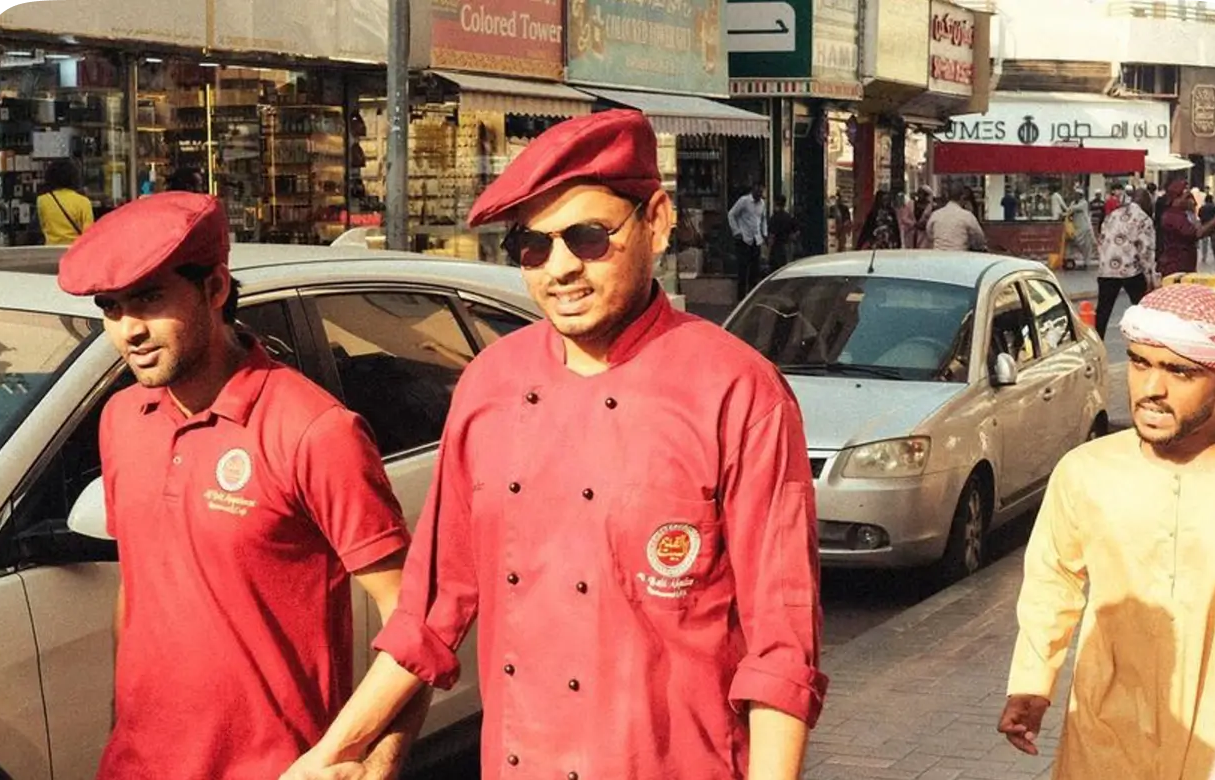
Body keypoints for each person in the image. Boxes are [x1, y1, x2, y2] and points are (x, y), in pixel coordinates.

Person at [283, 109, 825, 780]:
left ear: (656, 221)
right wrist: (333, 753)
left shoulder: (738, 391)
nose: (560, 268)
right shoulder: (490, 385)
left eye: (588, 237)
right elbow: (426, 615)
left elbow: (782, 649)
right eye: (532, 246)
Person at [55, 192, 422, 779]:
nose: (129, 331)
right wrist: (120, 725)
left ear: (215, 287)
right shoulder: (122, 418)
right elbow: (139, 586)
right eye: (111, 307)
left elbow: (413, 616)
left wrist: (371, 759)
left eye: (149, 298)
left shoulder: (314, 430)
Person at [998, 283, 1215, 780]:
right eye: (1139, 362)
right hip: (1106, 731)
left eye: (1180, 371)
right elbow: (1053, 582)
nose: (1151, 389)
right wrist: (1032, 681)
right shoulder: (1086, 471)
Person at [1094, 188, 1155, 338]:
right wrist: (1150, 277)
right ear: (1146, 202)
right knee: (1142, 308)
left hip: (1107, 269)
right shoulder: (1143, 218)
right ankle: (1143, 339)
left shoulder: (1113, 215)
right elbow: (1145, 250)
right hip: (1130, 269)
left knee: (1102, 312)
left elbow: (1101, 240)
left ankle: (1096, 342)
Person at [37, 159, 95, 245]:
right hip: (75, 249)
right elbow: (88, 233)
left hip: (51, 248)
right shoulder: (83, 201)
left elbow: (43, 226)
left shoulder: (42, 200)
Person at [1158, 179, 1208, 277]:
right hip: (1176, 267)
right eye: (1187, 197)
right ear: (1177, 198)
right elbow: (1196, 233)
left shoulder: (1182, 214)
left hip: (1185, 265)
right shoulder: (1173, 216)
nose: (1191, 201)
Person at [728, 183, 768, 298]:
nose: (760, 194)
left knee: (755, 270)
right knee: (743, 269)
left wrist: (764, 233)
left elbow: (763, 219)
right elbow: (731, 214)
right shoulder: (744, 201)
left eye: (761, 192)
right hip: (744, 239)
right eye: (758, 192)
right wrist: (736, 231)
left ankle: (752, 295)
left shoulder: (762, 203)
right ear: (753, 190)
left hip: (756, 240)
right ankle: (741, 297)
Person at [926, 183, 987, 252]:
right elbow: (979, 239)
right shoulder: (967, 216)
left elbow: (929, 235)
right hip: (959, 255)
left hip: (938, 255)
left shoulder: (935, 214)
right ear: (962, 197)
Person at [1064, 188, 1098, 269]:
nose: (1075, 196)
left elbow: (1072, 209)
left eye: (1077, 195)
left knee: (1086, 246)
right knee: (1071, 242)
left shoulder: (1084, 203)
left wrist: (1067, 210)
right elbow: (1070, 211)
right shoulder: (1073, 202)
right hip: (1076, 227)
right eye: (1075, 194)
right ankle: (1069, 258)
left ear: (1080, 196)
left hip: (1084, 227)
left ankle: (1086, 263)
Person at [767, 194, 800, 272]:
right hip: (786, 247)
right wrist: (791, 238)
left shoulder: (774, 218)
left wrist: (768, 251)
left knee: (775, 270)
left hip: (776, 248)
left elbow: (772, 236)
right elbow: (797, 231)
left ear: (775, 203)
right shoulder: (789, 217)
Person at [1198, 193, 1215, 270]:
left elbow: (1199, 215)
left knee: (1204, 243)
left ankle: (1204, 257)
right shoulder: (1213, 207)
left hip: (1204, 226)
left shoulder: (1202, 207)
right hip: (1212, 227)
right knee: (1213, 242)